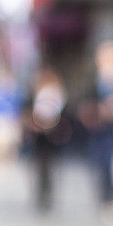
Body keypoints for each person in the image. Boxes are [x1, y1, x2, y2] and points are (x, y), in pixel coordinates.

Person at [82, 41, 113, 205]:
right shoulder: (95, 82)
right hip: (101, 130)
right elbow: (85, 106)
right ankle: (106, 195)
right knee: (103, 163)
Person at [24, 67, 71, 212]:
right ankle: (41, 195)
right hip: (40, 138)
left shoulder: (59, 95)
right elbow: (27, 112)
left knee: (51, 168)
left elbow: (66, 116)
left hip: (54, 137)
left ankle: (48, 195)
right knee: (40, 168)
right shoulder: (35, 95)